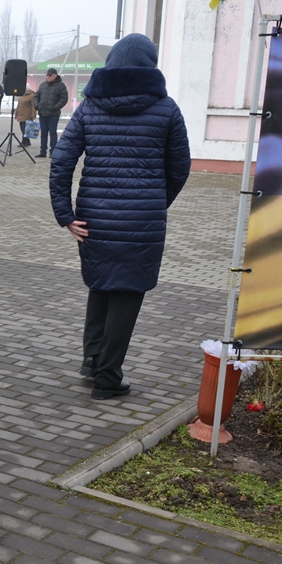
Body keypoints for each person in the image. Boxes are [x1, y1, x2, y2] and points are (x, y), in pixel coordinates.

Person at [49, 33, 190, 400]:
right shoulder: (167, 109)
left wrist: (65, 214)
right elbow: (180, 168)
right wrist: (157, 202)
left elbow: (61, 162)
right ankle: (108, 378)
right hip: (143, 220)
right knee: (126, 293)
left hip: (93, 218)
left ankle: (92, 360)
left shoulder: (89, 106)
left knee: (101, 285)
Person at [35, 68, 68, 158]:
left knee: (53, 133)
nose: (48, 76)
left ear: (55, 76)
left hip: (53, 114)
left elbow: (64, 99)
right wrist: (37, 105)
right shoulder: (43, 85)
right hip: (42, 113)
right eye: (47, 75)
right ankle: (42, 151)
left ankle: (53, 152)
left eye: (50, 75)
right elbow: (36, 96)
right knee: (43, 133)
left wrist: (55, 107)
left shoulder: (61, 86)